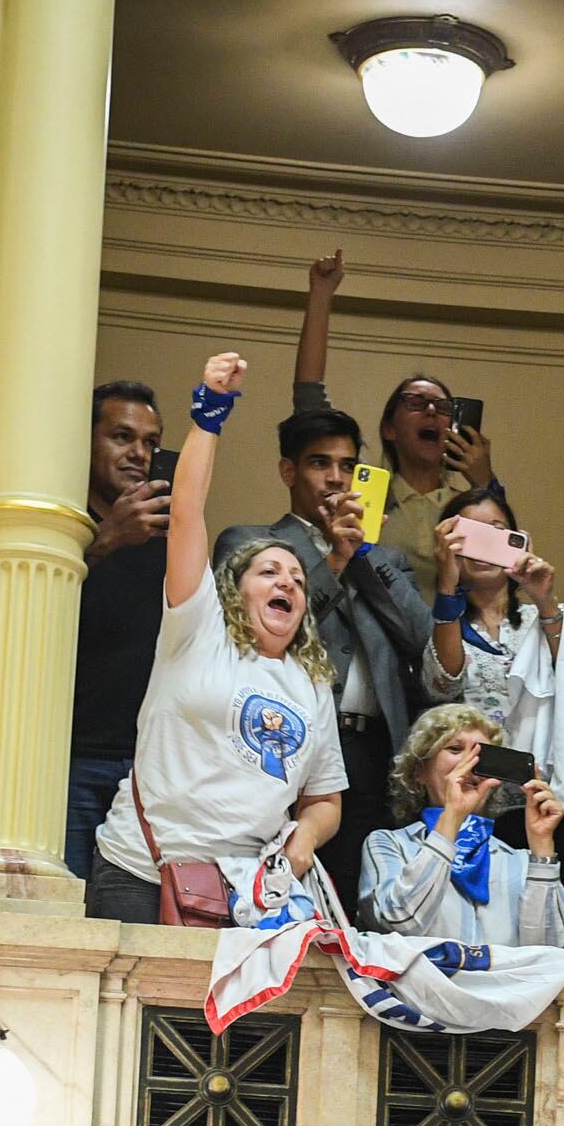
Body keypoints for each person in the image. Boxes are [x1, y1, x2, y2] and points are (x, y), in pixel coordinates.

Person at [85, 353, 346, 925]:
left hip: (251, 893)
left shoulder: (310, 682)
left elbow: (325, 799)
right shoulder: (197, 629)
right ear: (234, 591)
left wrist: (302, 843)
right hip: (143, 871)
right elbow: (187, 513)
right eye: (270, 572)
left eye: (298, 579)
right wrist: (210, 413)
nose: (288, 581)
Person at [211, 403, 435, 900]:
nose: (337, 479)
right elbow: (263, 626)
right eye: (319, 463)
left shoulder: (382, 558)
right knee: (283, 892)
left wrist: (361, 553)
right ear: (288, 471)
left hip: (376, 750)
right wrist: (332, 557)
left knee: (362, 899)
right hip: (283, 744)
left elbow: (423, 637)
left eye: (349, 466)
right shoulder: (252, 544)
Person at [423, 485, 564, 902]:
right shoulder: (444, 623)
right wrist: (447, 584)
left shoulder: (554, 617)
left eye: (498, 531)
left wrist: (545, 601)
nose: (486, 546)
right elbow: (442, 685)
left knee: (555, 917)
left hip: (551, 802)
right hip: (478, 802)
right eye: (472, 534)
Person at [290, 249, 497, 572]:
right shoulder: (360, 494)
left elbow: (501, 580)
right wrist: (321, 294)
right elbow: (309, 402)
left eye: (442, 407)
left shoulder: (467, 506)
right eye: (415, 403)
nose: (430, 411)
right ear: (389, 428)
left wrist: (485, 486)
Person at [357, 705, 564, 947]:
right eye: (455, 749)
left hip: (503, 984)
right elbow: (398, 922)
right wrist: (452, 818)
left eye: (481, 756)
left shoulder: (521, 861)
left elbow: (549, 950)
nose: (470, 763)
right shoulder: (389, 844)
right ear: (419, 771)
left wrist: (542, 844)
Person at [70, 380, 167, 877]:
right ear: (85, 439)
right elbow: (44, 617)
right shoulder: (61, 526)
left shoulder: (165, 541)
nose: (139, 453)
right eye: (122, 437)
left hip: (147, 770)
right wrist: (105, 542)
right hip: (70, 758)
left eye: (150, 442)